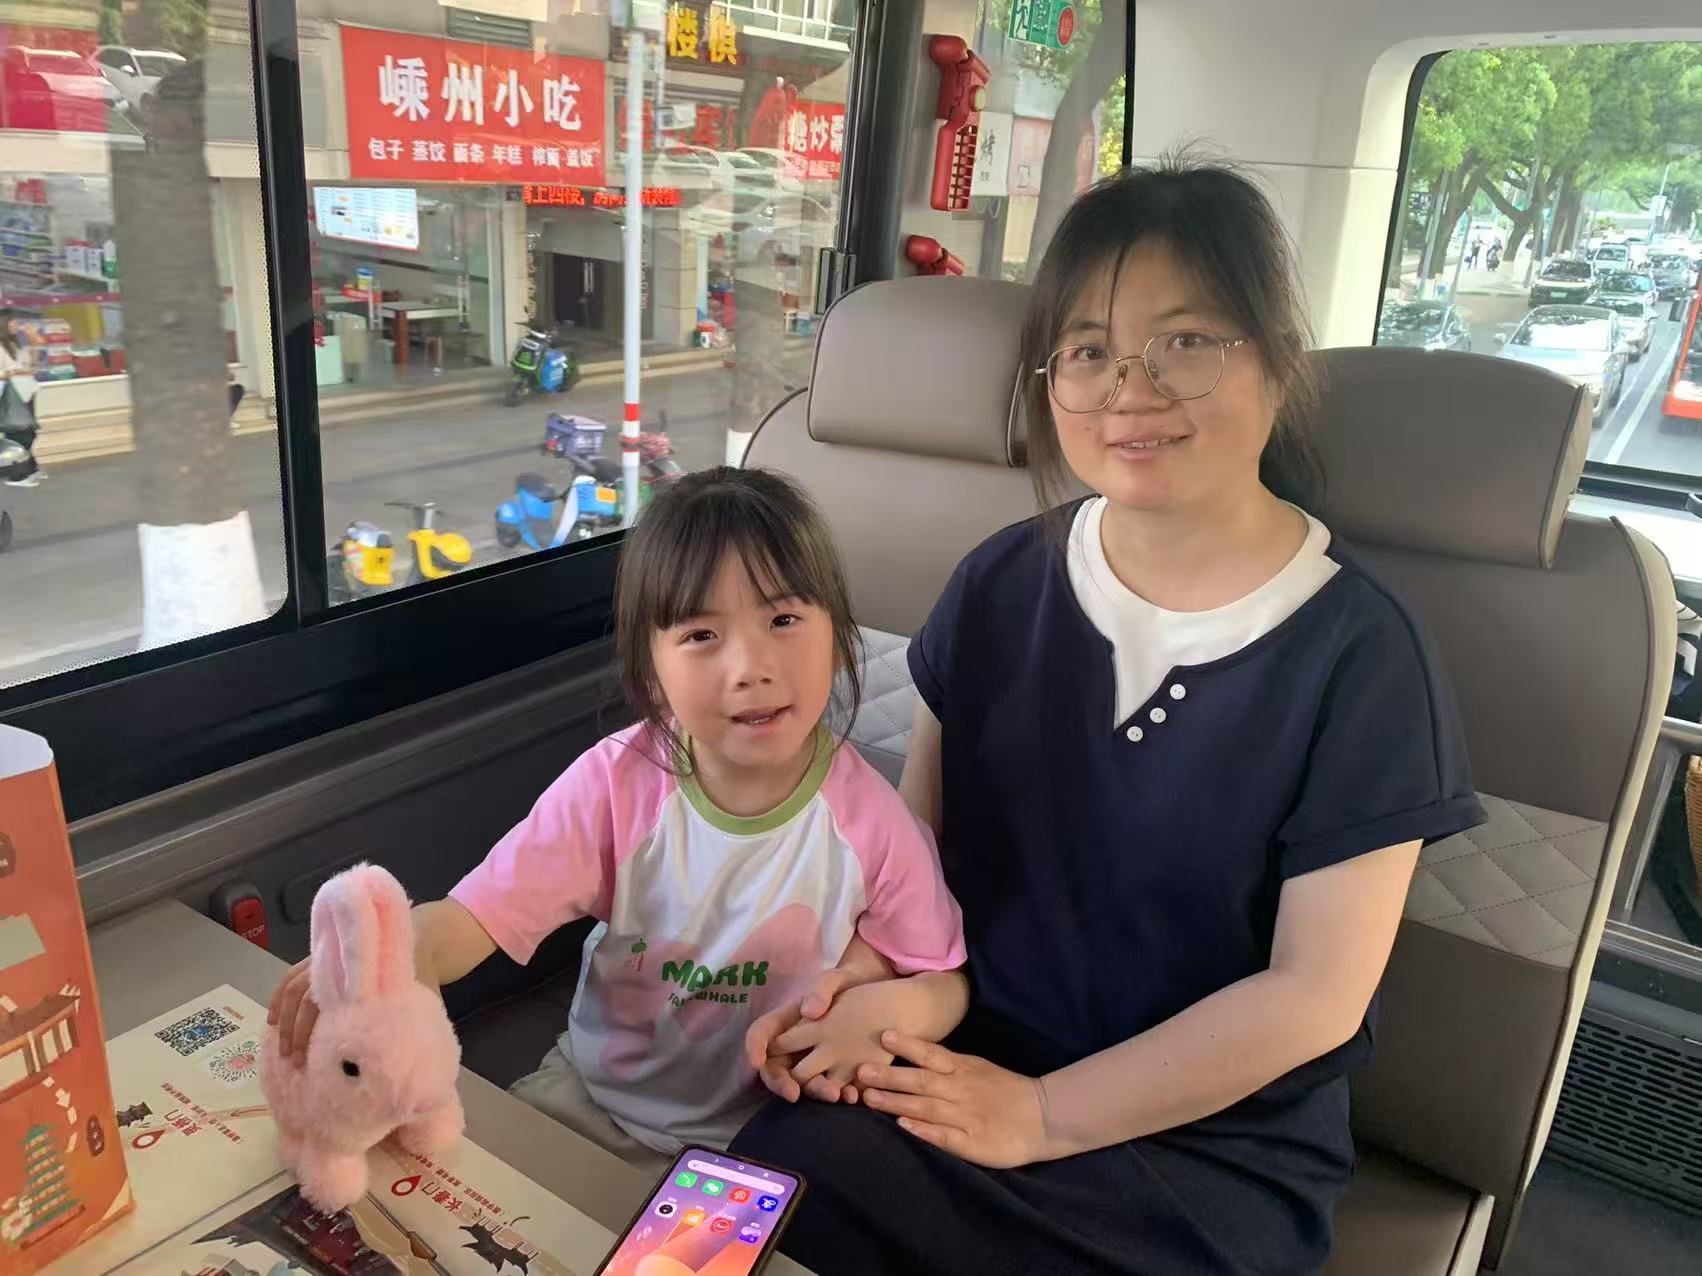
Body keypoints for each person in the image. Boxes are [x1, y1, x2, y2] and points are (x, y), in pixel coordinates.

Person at [734, 156, 1487, 1274]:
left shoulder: (1363, 656)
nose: (1132, 388)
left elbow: (1313, 996)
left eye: (1186, 340)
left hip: (1200, 1146)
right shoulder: (999, 582)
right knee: (747, 1199)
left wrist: (1044, 1115)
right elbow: (917, 857)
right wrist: (870, 982)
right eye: (1088, 350)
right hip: (962, 1060)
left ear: (1278, 359)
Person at [268, 467, 968, 1172]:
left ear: (838, 638)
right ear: (651, 670)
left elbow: (942, 979)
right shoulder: (616, 784)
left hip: (769, 1135)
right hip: (590, 1095)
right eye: (701, 634)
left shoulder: (873, 824)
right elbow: (470, 920)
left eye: (783, 620)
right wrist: (393, 957)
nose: (750, 667)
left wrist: (881, 1015)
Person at [0, 309, 43, 488]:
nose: (18, 325)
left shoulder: (15, 345)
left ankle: (30, 467)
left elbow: (32, 364)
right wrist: (17, 372)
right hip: (11, 394)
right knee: (19, 432)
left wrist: (34, 341)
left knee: (29, 431)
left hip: (26, 391)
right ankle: (18, 474)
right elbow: (5, 373)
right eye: (14, 322)